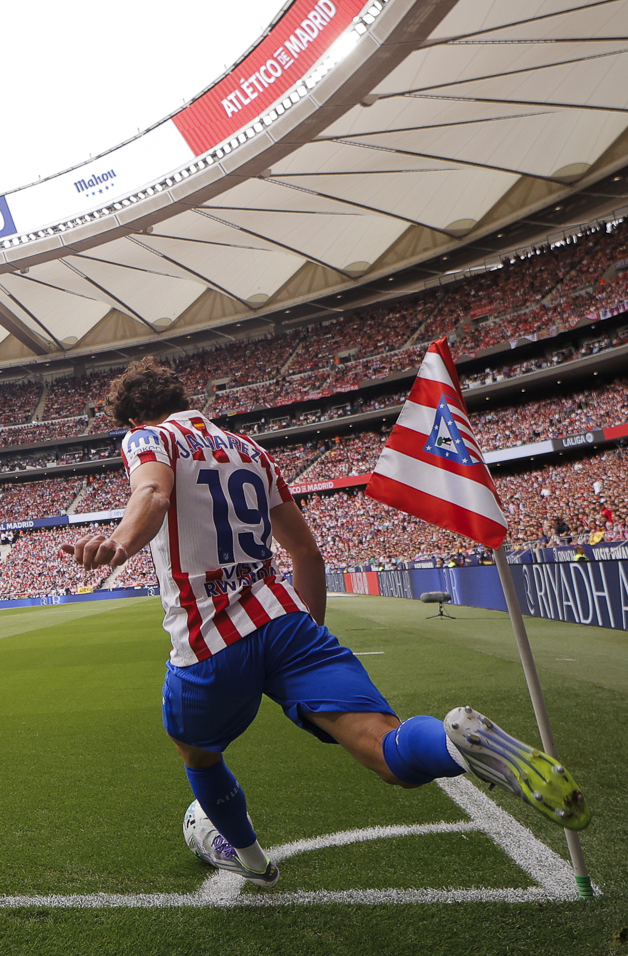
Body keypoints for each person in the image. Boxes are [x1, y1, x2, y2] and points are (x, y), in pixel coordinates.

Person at [64, 359, 589, 886]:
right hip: (288, 622)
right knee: (386, 750)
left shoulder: (148, 439)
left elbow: (152, 494)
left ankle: (252, 862)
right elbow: (305, 553)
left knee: (198, 754)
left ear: (134, 418)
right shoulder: (252, 451)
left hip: (211, 637)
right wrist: (302, 646)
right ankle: (456, 746)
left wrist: (120, 543)